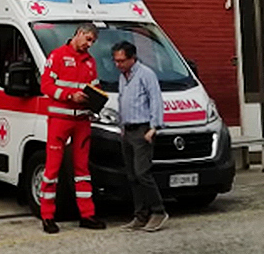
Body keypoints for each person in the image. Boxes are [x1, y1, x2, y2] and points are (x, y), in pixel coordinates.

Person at [39, 23, 107, 234]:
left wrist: (96, 98)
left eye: (92, 42)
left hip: (82, 122)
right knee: (52, 170)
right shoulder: (57, 56)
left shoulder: (90, 62)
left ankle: (87, 215)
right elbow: (46, 86)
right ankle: (47, 217)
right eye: (87, 39)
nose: (89, 44)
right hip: (60, 121)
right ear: (78, 34)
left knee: (82, 171)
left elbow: (96, 87)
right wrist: (70, 95)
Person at [112, 40, 169, 232]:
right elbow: (123, 101)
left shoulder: (146, 74)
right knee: (132, 175)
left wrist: (154, 127)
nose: (118, 65)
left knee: (143, 172)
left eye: (121, 61)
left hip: (143, 129)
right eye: (116, 61)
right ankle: (140, 215)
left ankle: (158, 211)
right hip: (128, 130)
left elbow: (155, 99)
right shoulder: (123, 77)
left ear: (132, 58)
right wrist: (122, 127)